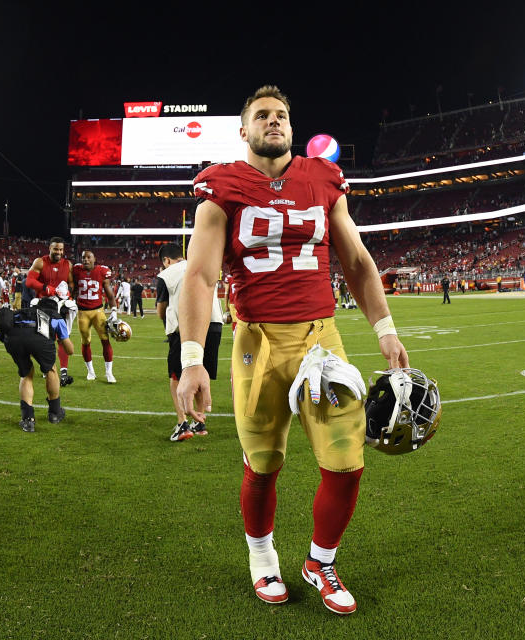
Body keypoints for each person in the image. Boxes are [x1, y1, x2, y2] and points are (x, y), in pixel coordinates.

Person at [175, 85, 408, 615]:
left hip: (322, 338)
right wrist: (193, 361)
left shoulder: (323, 178)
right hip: (256, 340)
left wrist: (385, 328)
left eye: (281, 115)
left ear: (292, 126)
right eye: (262, 115)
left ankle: (319, 561)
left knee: (347, 462)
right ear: (244, 130)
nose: (273, 121)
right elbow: (201, 274)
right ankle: (262, 556)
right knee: (262, 465)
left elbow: (357, 259)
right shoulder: (222, 184)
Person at [156, 243, 223, 441]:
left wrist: (167, 326)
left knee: (177, 375)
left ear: (166, 260)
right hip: (214, 324)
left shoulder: (166, 275)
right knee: (203, 373)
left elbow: (162, 309)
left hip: (186, 327)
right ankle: (200, 422)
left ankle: (182, 422)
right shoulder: (200, 265)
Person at [0, 296, 73, 432]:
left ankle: (28, 419)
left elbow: (4, 332)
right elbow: (70, 350)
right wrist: (59, 340)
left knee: (26, 374)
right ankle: (55, 413)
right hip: (39, 340)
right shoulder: (55, 316)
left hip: (12, 338)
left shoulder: (24, 311)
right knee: (51, 370)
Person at [25, 237, 76, 386]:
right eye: (56, 249)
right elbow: (29, 281)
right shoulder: (40, 262)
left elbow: (71, 282)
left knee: (63, 338)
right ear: (50, 248)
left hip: (61, 305)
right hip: (44, 305)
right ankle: (47, 367)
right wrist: (46, 288)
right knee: (45, 338)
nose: (58, 252)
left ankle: (64, 371)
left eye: (60, 249)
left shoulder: (67, 264)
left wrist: (68, 291)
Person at [72, 249, 118, 383]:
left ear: (94, 259)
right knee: (85, 342)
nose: (85, 259)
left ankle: (109, 372)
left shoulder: (102, 271)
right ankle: (90, 371)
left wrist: (114, 309)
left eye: (88, 257)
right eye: (83, 257)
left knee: (105, 340)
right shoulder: (76, 270)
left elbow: (109, 293)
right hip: (82, 312)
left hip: (98, 312)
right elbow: (73, 288)